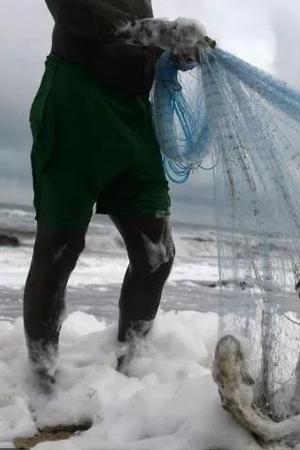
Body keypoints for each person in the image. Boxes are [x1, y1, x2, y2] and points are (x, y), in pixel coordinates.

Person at [25, 0, 204, 393]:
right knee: (60, 245)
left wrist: (177, 48)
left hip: (135, 118)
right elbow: (73, 11)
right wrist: (151, 30)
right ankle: (42, 382)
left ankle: (129, 367)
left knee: (157, 255)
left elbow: (144, 43)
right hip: (76, 100)